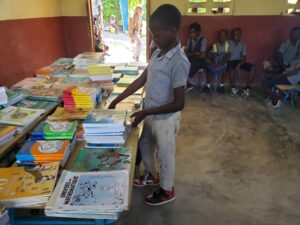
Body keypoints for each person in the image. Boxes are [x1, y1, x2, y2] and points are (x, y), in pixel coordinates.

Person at [109, 4, 190, 206]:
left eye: (157, 35)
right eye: (152, 35)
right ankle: (152, 176)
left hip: (166, 119)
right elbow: (141, 80)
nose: (153, 39)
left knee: (165, 154)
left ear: (172, 31)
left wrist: (146, 111)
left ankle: (167, 189)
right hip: (150, 111)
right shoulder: (157, 53)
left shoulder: (178, 61)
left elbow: (179, 103)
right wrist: (117, 99)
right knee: (145, 144)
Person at [264, 44, 300, 109]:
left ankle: (276, 100)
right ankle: (277, 97)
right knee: (270, 78)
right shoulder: (297, 57)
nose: (297, 48)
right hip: (287, 76)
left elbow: (293, 73)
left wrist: (280, 75)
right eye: (298, 47)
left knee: (266, 83)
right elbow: (290, 68)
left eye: (298, 47)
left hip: (289, 79)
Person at [227, 27, 256, 97]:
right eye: (234, 34)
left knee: (253, 68)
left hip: (239, 61)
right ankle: (233, 88)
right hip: (230, 61)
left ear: (240, 35)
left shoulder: (243, 45)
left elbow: (244, 57)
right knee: (229, 68)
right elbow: (225, 54)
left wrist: (240, 64)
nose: (235, 35)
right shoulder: (228, 43)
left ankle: (247, 89)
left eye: (237, 33)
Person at [184, 22, 208, 92]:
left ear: (197, 32)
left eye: (192, 32)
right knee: (182, 64)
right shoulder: (189, 40)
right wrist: (195, 53)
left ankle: (188, 84)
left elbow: (202, 55)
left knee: (191, 64)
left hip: (200, 61)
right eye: (189, 32)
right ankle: (187, 83)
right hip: (191, 59)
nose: (190, 34)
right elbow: (186, 52)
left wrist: (191, 54)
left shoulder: (203, 40)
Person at [207, 29, 230, 93]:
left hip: (222, 63)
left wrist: (222, 63)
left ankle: (221, 85)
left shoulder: (227, 45)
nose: (222, 36)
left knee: (225, 67)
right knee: (208, 67)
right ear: (218, 36)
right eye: (221, 35)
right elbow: (213, 56)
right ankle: (208, 86)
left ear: (226, 36)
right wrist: (215, 63)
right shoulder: (215, 44)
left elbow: (227, 56)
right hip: (215, 62)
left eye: (224, 35)